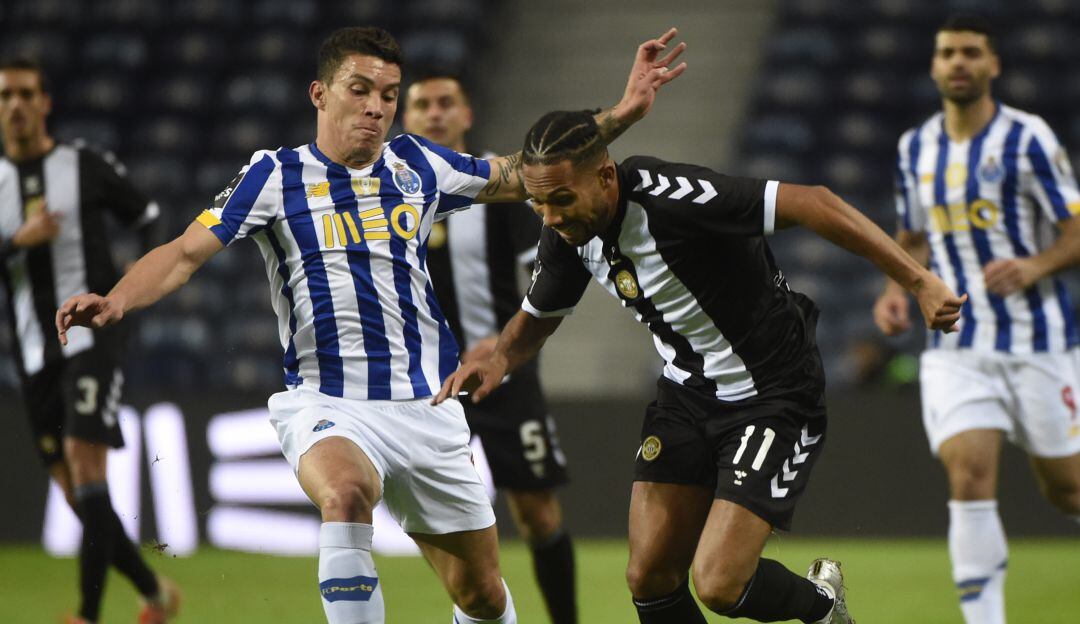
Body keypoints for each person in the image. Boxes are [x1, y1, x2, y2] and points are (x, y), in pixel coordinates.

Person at [56, 26, 685, 624]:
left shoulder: (418, 165)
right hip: (327, 401)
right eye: (360, 90)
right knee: (346, 493)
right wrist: (116, 299)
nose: (376, 108)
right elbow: (183, 253)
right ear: (320, 93)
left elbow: (521, 172)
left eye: (387, 95)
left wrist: (622, 114)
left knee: (483, 593)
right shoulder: (274, 176)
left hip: (427, 406)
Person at [435, 109, 967, 624]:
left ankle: (822, 605)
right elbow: (538, 315)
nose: (549, 217)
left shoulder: (674, 197)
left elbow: (815, 202)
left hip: (773, 393)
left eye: (560, 200)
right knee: (649, 577)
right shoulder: (568, 230)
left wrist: (918, 280)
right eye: (537, 203)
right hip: (685, 397)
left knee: (718, 583)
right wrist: (500, 358)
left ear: (604, 175)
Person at [873, 13, 1080, 624]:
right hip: (957, 346)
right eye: (947, 53)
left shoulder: (1029, 138)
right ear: (934, 66)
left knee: (1066, 489)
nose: (958, 62)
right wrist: (894, 290)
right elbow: (910, 237)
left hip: (1040, 343)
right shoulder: (916, 147)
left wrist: (1035, 266)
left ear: (993, 65)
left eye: (970, 52)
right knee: (968, 475)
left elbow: (1076, 231)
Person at [0, 58, 178, 624]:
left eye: (26, 93)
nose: (16, 105)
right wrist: (15, 241)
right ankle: (155, 592)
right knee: (81, 496)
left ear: (45, 101)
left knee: (84, 464)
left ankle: (87, 616)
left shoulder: (83, 164)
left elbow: (149, 216)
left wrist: (125, 286)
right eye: (5, 96)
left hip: (90, 339)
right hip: (33, 353)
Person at [403, 75, 578, 624]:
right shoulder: (391, 189)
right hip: (427, 385)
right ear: (406, 118)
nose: (434, 114)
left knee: (537, 512)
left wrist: (504, 342)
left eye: (445, 103)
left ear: (467, 114)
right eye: (423, 105)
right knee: (436, 519)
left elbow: (542, 274)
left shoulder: (499, 186)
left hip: (503, 376)